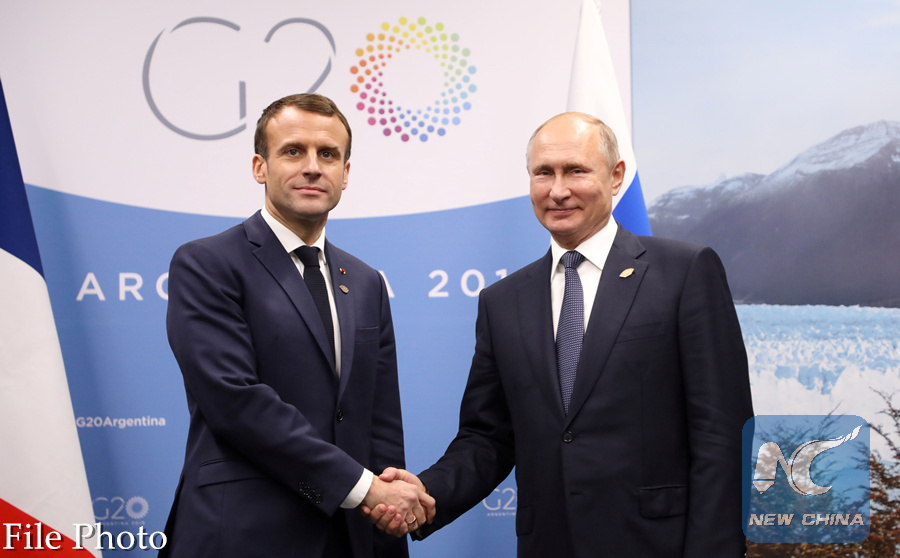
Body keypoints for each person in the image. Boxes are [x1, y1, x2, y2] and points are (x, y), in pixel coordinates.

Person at [365, 112, 754, 557]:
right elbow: (488, 437)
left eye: (576, 171)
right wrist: (426, 493)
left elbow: (722, 434)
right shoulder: (502, 302)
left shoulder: (684, 273)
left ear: (616, 176)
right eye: (543, 173)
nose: (558, 190)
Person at [160, 93, 433, 558]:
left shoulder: (365, 281)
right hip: (243, 536)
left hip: (352, 537)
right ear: (259, 167)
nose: (312, 167)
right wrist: (364, 488)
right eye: (293, 151)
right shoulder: (207, 263)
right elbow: (235, 401)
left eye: (328, 154)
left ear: (345, 173)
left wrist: (389, 511)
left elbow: (379, 421)